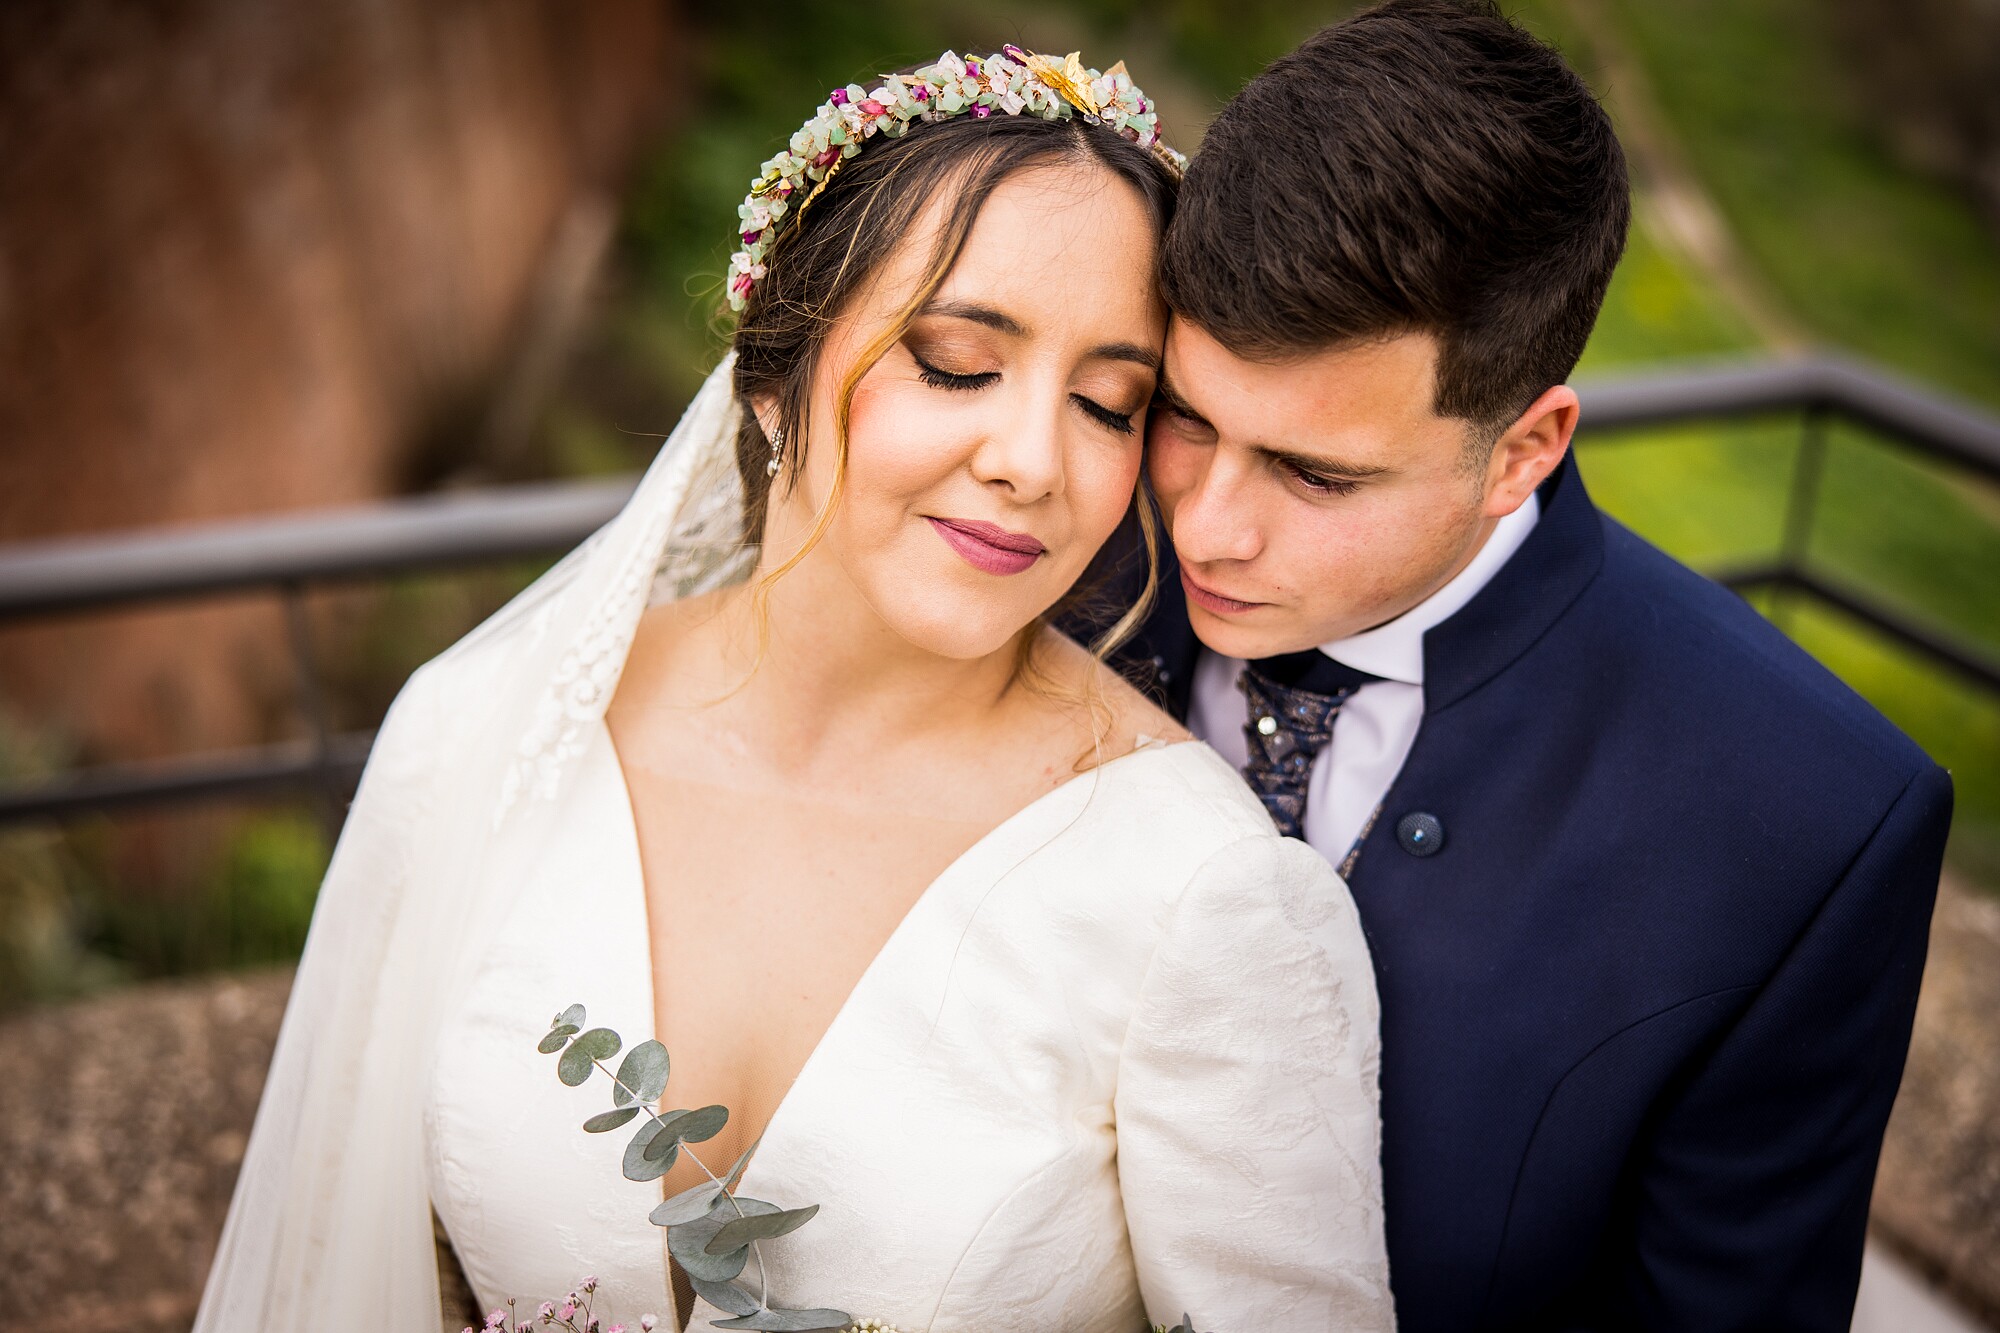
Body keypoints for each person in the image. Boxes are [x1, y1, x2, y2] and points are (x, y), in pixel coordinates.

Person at [192, 48, 1395, 1333]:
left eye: (1109, 403)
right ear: (774, 373)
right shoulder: (480, 734)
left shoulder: (1207, 896)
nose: (1033, 461)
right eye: (956, 362)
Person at [1096, 2, 1955, 1328]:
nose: (1206, 526)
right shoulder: (1045, 545)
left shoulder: (1807, 825)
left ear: (1523, 451)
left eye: (1316, 475)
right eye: (1186, 416)